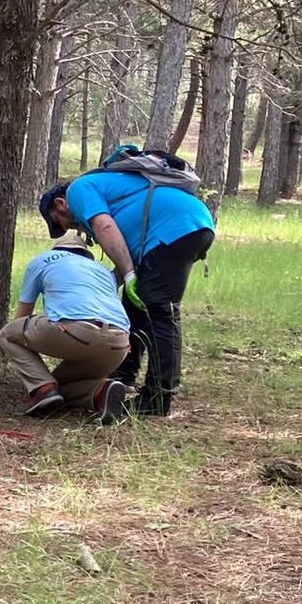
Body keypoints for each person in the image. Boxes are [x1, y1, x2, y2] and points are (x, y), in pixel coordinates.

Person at [39, 146, 216, 417]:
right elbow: (124, 253)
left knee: (160, 309)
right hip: (184, 226)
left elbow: (106, 227)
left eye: (62, 223)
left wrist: (129, 274)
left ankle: (158, 398)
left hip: (173, 228)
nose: (72, 229)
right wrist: (114, 282)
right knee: (133, 305)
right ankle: (124, 374)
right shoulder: (110, 188)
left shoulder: (79, 190)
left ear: (60, 204)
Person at [0, 231, 131, 423]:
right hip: (118, 345)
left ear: (58, 248)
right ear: (85, 254)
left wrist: (32, 361)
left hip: (75, 331)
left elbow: (21, 318)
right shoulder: (102, 271)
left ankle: (42, 388)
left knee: (8, 333)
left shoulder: (42, 261)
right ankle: (101, 392)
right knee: (60, 386)